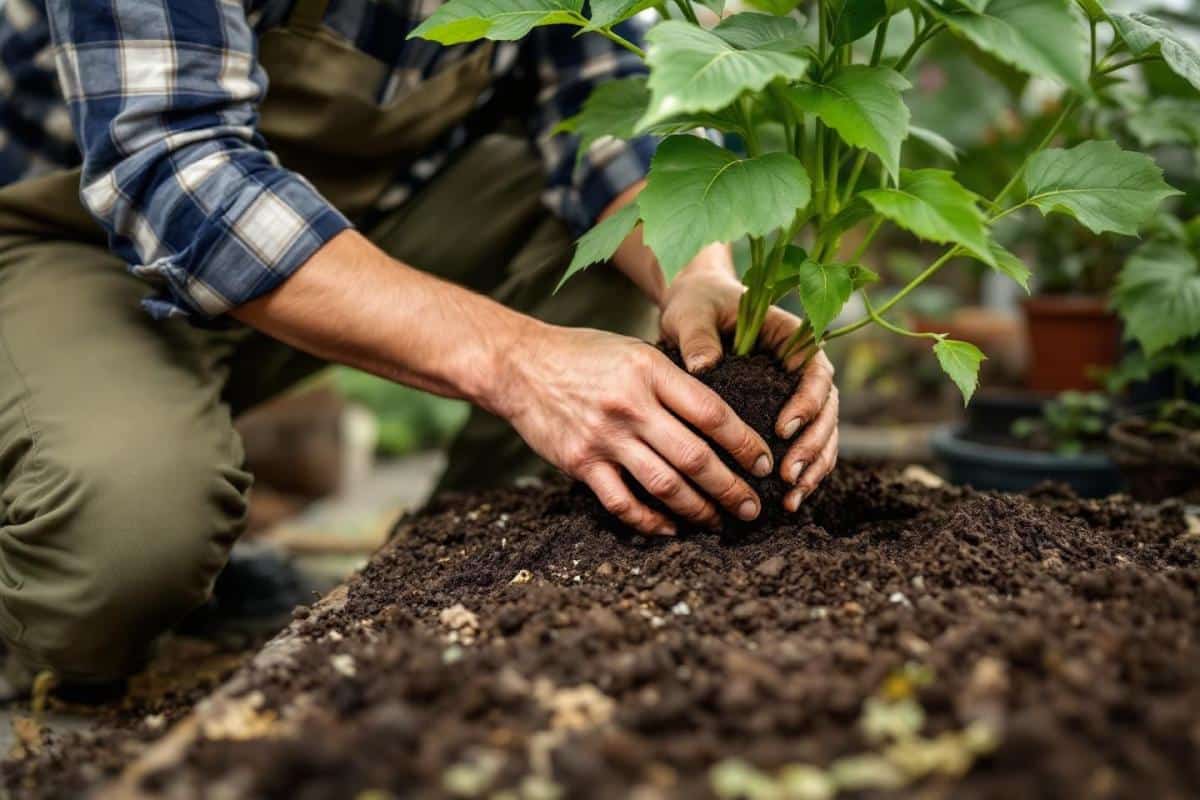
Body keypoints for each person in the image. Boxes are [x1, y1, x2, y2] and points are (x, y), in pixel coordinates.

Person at [0, 0, 838, 687]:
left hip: (345, 223)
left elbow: (602, 92)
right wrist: (518, 360)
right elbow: (174, 165)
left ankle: (489, 569)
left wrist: (699, 272)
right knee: (121, 553)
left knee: (593, 245)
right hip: (66, 242)